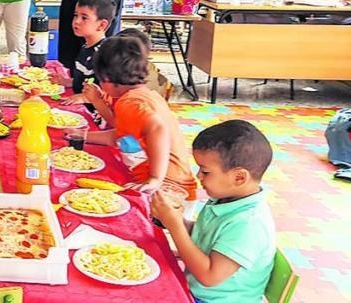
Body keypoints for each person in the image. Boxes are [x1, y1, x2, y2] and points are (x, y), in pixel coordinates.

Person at [152, 120, 276, 303]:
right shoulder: (227, 198)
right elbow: (209, 236)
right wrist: (178, 219)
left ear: (239, 177)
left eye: (205, 172)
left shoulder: (249, 224)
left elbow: (209, 276)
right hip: (194, 289)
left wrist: (174, 224)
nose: (198, 176)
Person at [86, 36, 197, 198]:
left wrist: (155, 178)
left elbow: (157, 128)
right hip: (174, 186)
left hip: (168, 190)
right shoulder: (145, 96)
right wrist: (83, 136)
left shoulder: (129, 103)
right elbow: (120, 136)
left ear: (106, 79)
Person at [60, 0, 116, 105]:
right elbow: (85, 81)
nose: (76, 21)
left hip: (96, 114)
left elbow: (106, 93)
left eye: (84, 18)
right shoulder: (86, 46)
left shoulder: (103, 54)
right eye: (76, 15)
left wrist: (85, 98)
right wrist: (70, 82)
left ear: (102, 25)